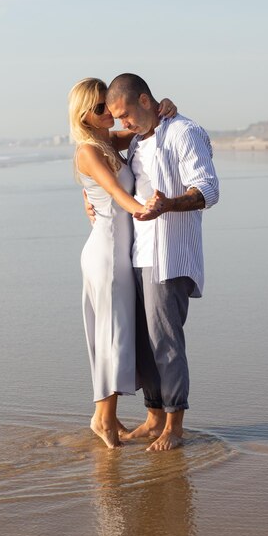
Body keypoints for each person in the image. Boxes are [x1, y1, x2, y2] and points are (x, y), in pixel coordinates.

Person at [102, 73, 220, 451]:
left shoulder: (184, 132)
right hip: (138, 253)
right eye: (117, 118)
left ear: (146, 100)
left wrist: (168, 204)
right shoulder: (137, 139)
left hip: (170, 256)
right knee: (145, 343)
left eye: (126, 114)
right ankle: (154, 418)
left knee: (166, 342)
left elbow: (208, 189)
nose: (124, 123)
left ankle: (175, 425)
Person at [68, 77, 176, 449]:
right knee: (109, 336)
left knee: (118, 335)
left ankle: (106, 416)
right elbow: (115, 193)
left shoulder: (110, 143)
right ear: (84, 116)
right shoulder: (88, 151)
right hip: (105, 254)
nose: (109, 113)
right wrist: (142, 209)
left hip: (121, 253)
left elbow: (145, 126)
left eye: (108, 106)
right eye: (100, 109)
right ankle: (103, 418)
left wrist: (165, 106)